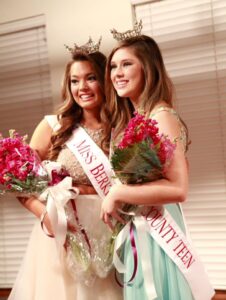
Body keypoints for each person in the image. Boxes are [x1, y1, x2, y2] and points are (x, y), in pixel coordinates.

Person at [100, 29, 215, 300]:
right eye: (114, 66)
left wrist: (118, 194)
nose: (117, 73)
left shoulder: (161, 115)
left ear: (148, 69)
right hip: (141, 227)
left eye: (127, 64)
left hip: (159, 229)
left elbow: (179, 189)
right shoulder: (137, 117)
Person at [8, 39, 122, 300]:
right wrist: (45, 216)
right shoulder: (53, 126)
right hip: (63, 228)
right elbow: (19, 183)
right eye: (74, 80)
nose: (82, 87)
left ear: (105, 81)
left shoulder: (121, 128)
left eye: (91, 78)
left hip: (107, 229)